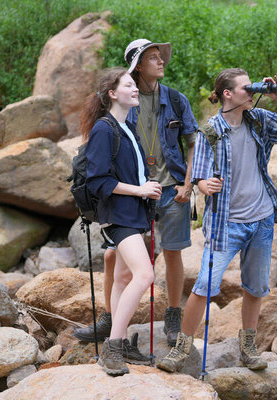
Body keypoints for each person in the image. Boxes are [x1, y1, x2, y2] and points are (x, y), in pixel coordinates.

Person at [157, 68, 277, 373]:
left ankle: (248, 347)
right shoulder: (210, 132)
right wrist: (204, 186)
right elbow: (199, 178)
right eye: (245, 88)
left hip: (262, 220)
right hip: (226, 224)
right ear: (227, 94)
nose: (251, 92)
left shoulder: (260, 121)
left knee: (255, 288)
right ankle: (181, 349)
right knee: (204, 285)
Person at [74, 39, 199, 348]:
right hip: (132, 197)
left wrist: (188, 184)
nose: (162, 62)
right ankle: (110, 319)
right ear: (138, 65)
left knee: (172, 252)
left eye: (161, 57)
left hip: (170, 190)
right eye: (153, 58)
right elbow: (103, 155)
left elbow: (194, 142)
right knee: (114, 256)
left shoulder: (176, 100)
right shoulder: (123, 103)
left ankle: (172, 313)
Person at [80, 67, 162, 376]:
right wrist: (140, 189)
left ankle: (122, 341)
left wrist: (146, 190)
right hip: (119, 215)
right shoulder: (105, 128)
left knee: (125, 278)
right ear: (113, 94)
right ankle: (112, 348)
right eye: (128, 85)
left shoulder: (127, 127)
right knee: (145, 275)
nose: (135, 89)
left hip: (134, 213)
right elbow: (97, 180)